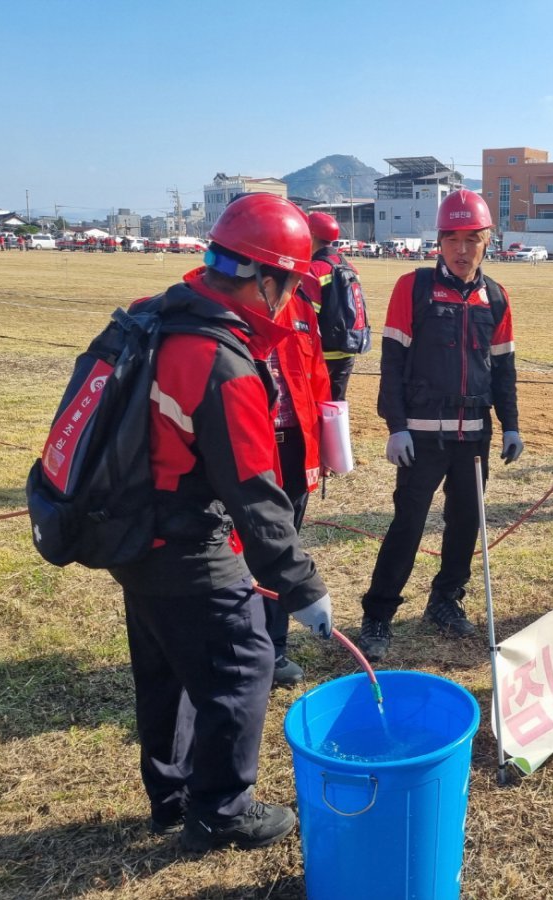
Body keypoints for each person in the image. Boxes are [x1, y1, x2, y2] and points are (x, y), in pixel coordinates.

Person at [108, 194, 333, 853]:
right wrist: (304, 591)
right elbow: (258, 500)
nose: (292, 302)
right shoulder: (222, 363)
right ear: (264, 279)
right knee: (243, 663)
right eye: (290, 286)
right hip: (185, 542)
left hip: (130, 532)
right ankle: (221, 811)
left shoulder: (162, 316)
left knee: (166, 668)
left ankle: (172, 797)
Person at [357, 189, 522, 663]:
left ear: (487, 241)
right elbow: (392, 363)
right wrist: (396, 426)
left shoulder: (496, 296)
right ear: (440, 241)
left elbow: (504, 369)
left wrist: (510, 425)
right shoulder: (414, 288)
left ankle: (445, 601)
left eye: (472, 238)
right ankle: (379, 614)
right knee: (408, 525)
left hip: (474, 435)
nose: (462, 248)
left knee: (465, 522)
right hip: (422, 435)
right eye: (453, 238)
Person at [260, 269, 333, 687]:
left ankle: (274, 648)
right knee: (241, 553)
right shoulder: (229, 314)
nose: (290, 285)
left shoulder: (304, 309)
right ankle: (243, 645)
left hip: (293, 447)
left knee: (283, 546)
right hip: (249, 450)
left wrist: (323, 443)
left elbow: (318, 377)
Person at [307, 212, 368, 401]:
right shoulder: (349, 267)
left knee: (316, 406)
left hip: (322, 354)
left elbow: (307, 315)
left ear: (311, 235)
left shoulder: (314, 270)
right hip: (348, 349)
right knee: (337, 406)